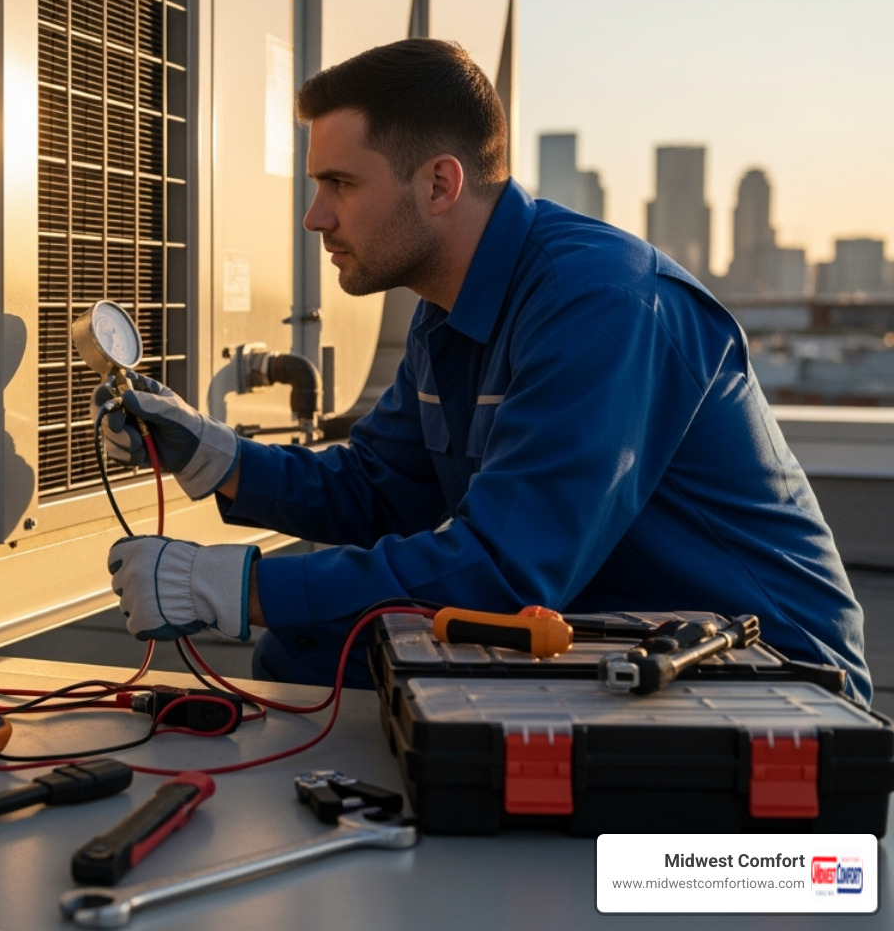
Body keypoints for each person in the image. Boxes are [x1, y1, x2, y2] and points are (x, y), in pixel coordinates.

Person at [100, 38, 870, 705]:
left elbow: (506, 572)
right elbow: (380, 490)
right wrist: (216, 456)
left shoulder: (601, 303)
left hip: (766, 678)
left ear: (440, 184)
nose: (315, 217)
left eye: (341, 184)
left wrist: (230, 586)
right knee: (305, 653)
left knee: (309, 645)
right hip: (616, 644)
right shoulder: (450, 310)